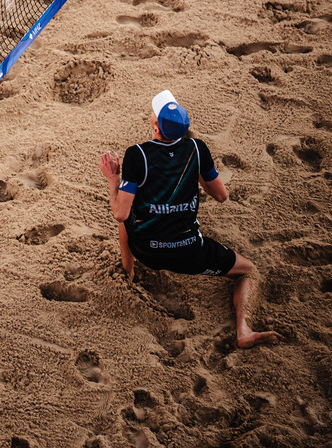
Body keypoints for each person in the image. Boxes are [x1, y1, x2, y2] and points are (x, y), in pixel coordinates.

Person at [98, 90, 280, 349]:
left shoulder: (137, 154)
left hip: (146, 250)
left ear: (156, 127)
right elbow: (221, 195)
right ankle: (243, 329)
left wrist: (113, 179)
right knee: (249, 272)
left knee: (128, 213)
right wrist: (192, 172)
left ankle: (128, 272)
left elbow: (120, 213)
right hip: (189, 252)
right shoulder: (197, 148)